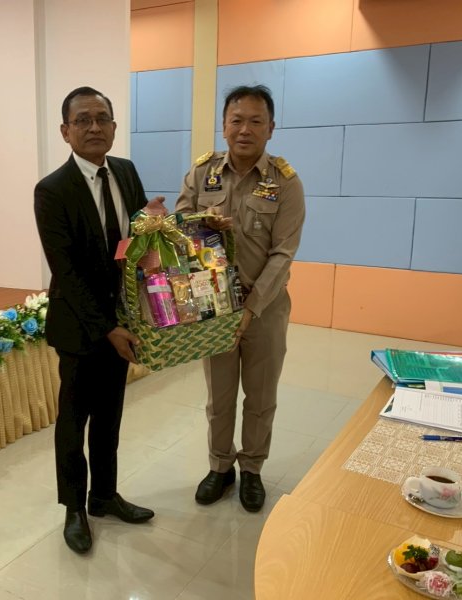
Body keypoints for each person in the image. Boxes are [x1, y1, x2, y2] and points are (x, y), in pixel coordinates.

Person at [34, 86, 161, 554]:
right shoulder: (52, 190)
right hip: (80, 326)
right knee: (74, 422)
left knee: (110, 417)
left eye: (102, 118)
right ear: (65, 131)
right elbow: (65, 271)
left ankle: (104, 496)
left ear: (113, 126)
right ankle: (74, 508)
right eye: (83, 120)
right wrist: (108, 328)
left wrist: (159, 226)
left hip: (123, 321)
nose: (94, 127)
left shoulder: (125, 171)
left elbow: (141, 242)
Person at [174, 84, 305, 512]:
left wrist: (251, 308)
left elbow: (283, 253)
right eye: (236, 120)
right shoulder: (202, 174)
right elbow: (178, 234)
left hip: (264, 308)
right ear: (224, 125)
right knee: (220, 396)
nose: (244, 129)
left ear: (271, 128)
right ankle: (219, 466)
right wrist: (199, 225)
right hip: (214, 309)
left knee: (261, 397)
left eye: (255, 121)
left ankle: (251, 469)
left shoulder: (285, 183)